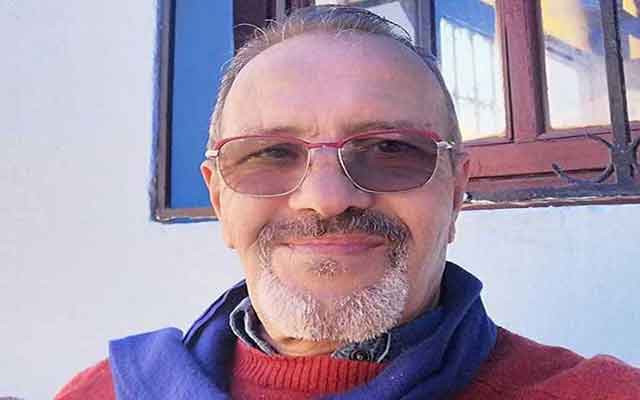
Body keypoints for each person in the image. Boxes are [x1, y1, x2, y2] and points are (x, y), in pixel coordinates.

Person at [55, 5, 640, 400]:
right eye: (270, 153)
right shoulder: (103, 392)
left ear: (456, 192)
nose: (327, 199)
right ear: (219, 198)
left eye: (391, 149)